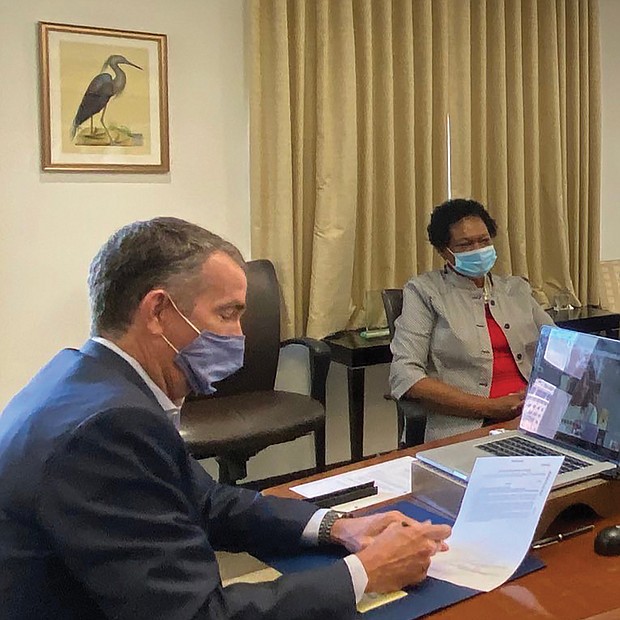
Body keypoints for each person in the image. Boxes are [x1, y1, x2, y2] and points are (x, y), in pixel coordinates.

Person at [0, 217, 451, 620]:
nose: (239, 335)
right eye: (227, 313)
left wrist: (337, 526)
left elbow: (203, 500)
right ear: (157, 311)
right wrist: (365, 574)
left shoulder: (83, 374)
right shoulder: (110, 427)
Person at [390, 199, 554, 442]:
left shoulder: (516, 289)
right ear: (444, 251)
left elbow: (561, 349)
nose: (478, 249)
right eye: (465, 244)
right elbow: (405, 375)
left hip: (533, 417)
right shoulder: (425, 292)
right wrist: (489, 407)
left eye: (484, 240)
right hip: (466, 426)